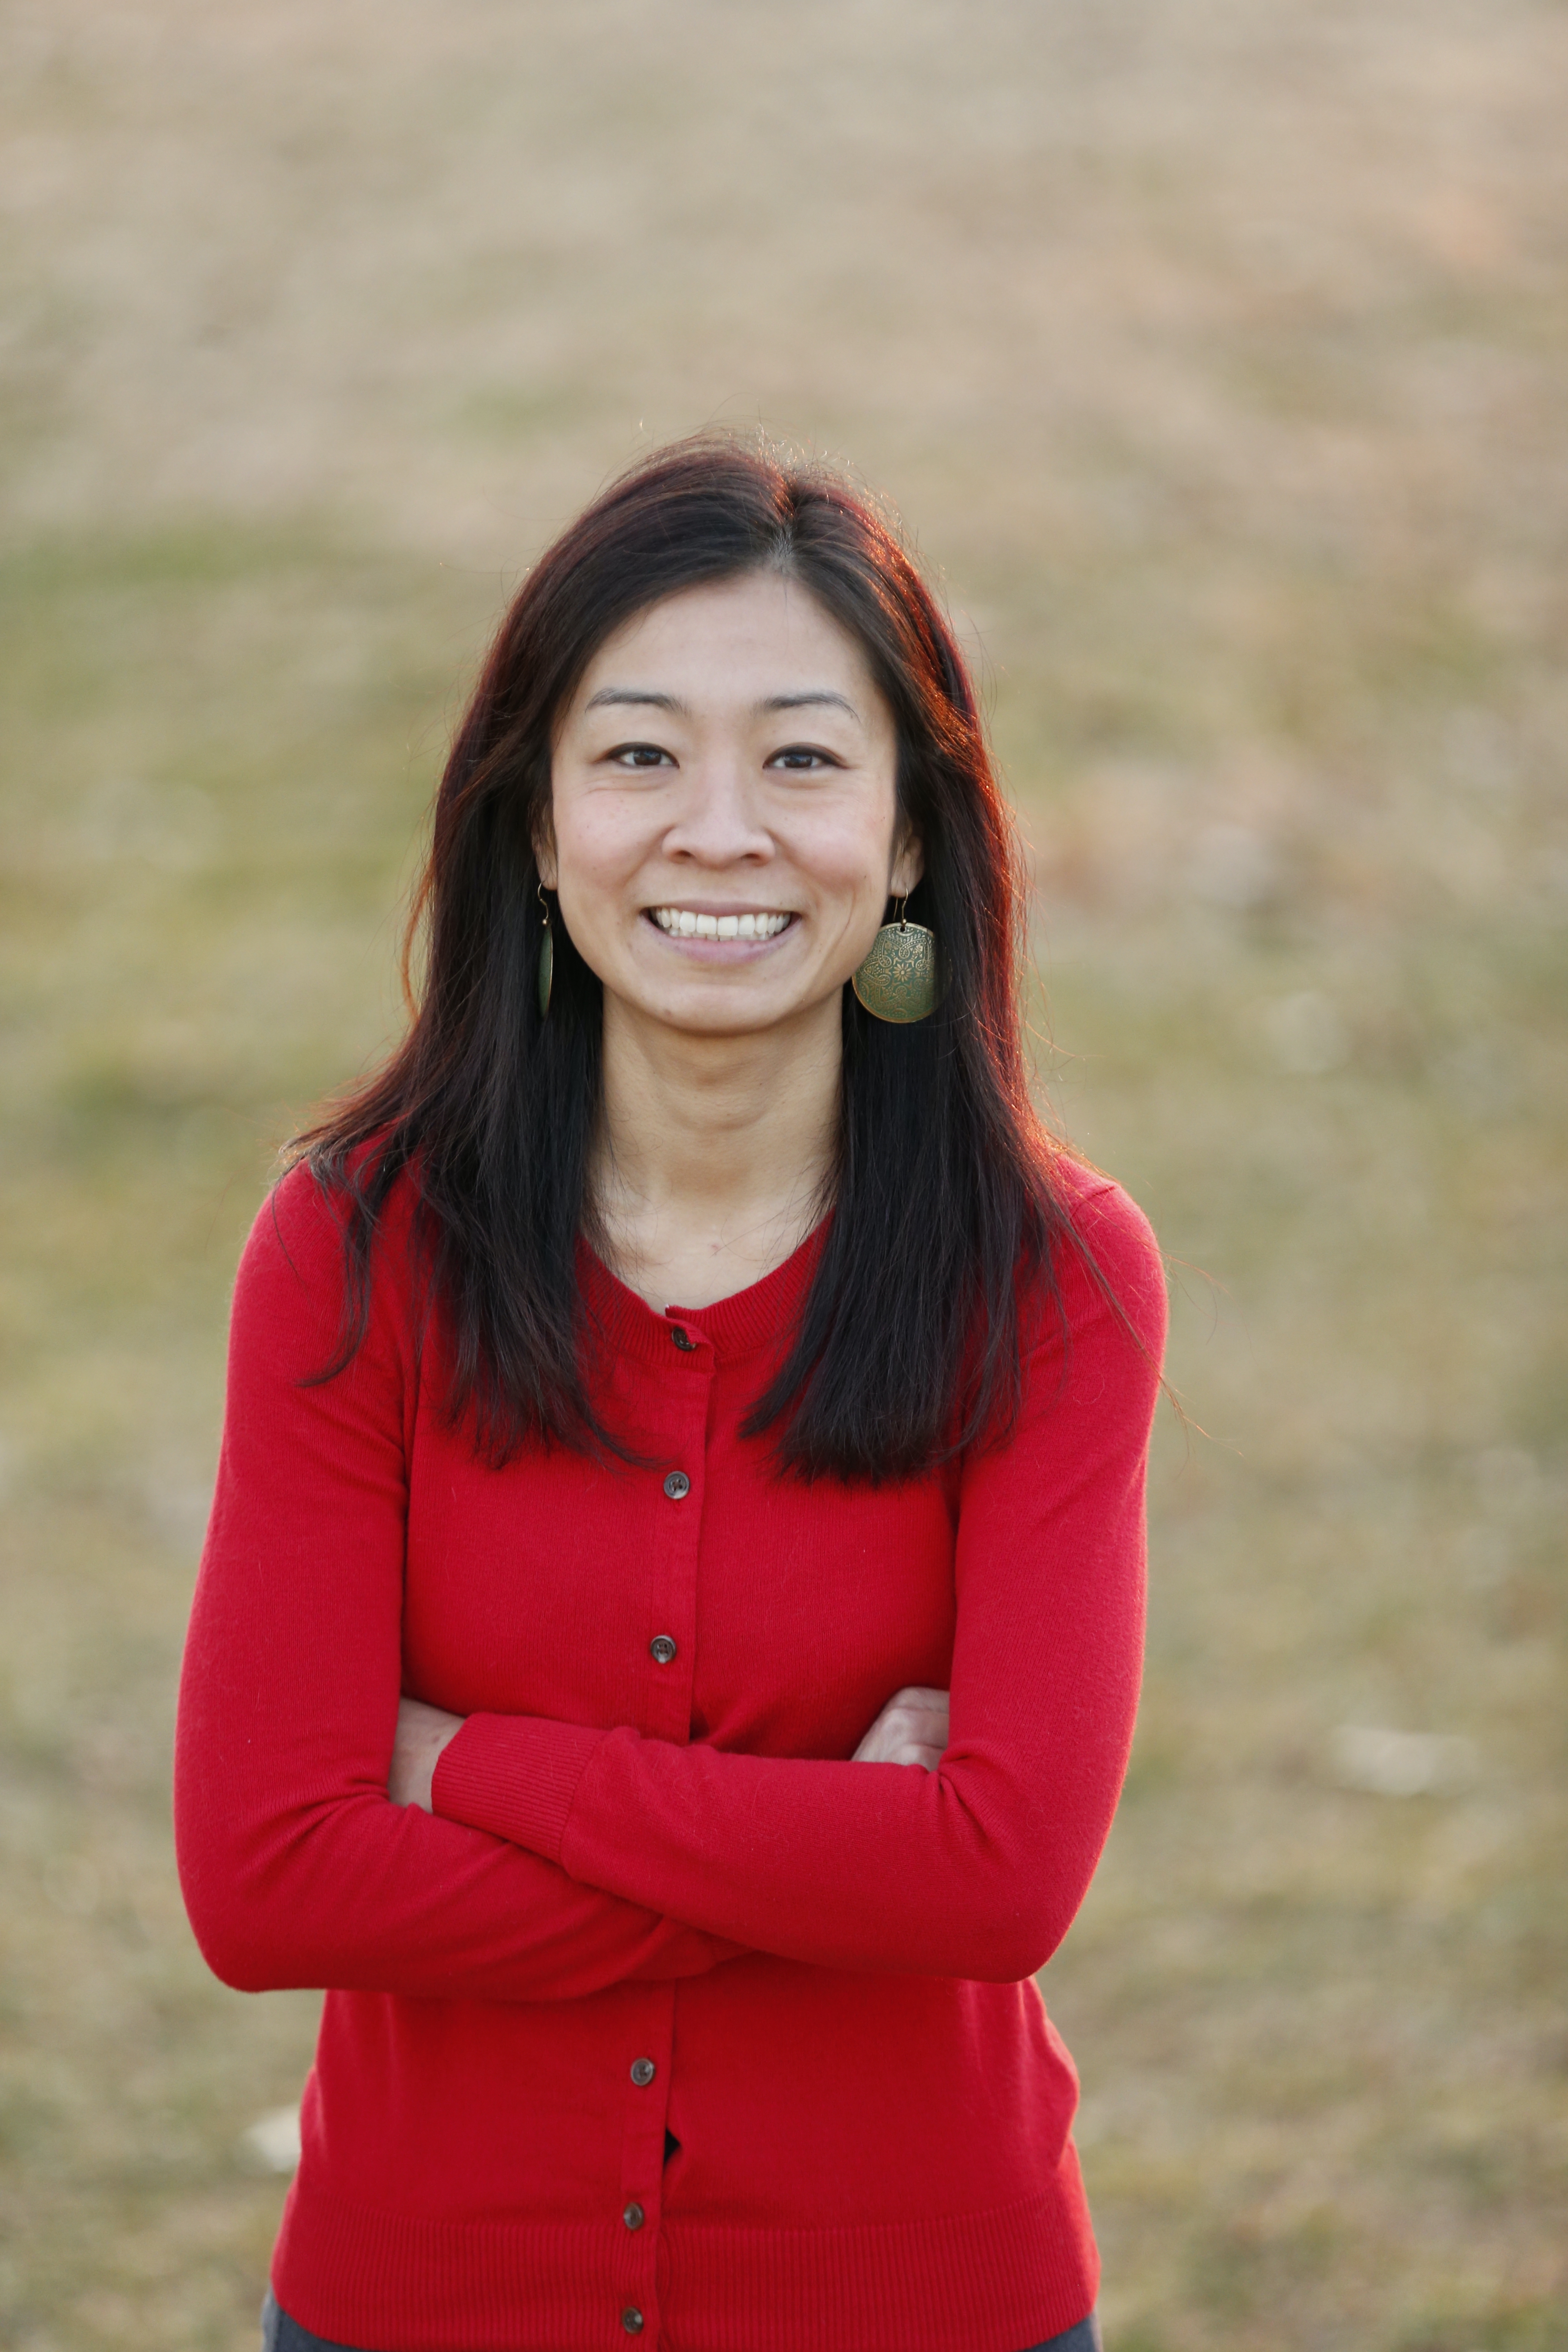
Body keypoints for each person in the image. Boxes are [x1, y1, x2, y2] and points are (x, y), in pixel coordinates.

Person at [175, 435, 1165, 2352]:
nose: (719, 829)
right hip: (423, 2298)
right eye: (638, 754)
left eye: (801, 758)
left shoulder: (1053, 1276)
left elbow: (1001, 1879)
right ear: (537, 828)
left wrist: (467, 1769)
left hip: (924, 2300)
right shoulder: (354, 1252)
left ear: (905, 837)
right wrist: (838, 1848)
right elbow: (265, 1880)